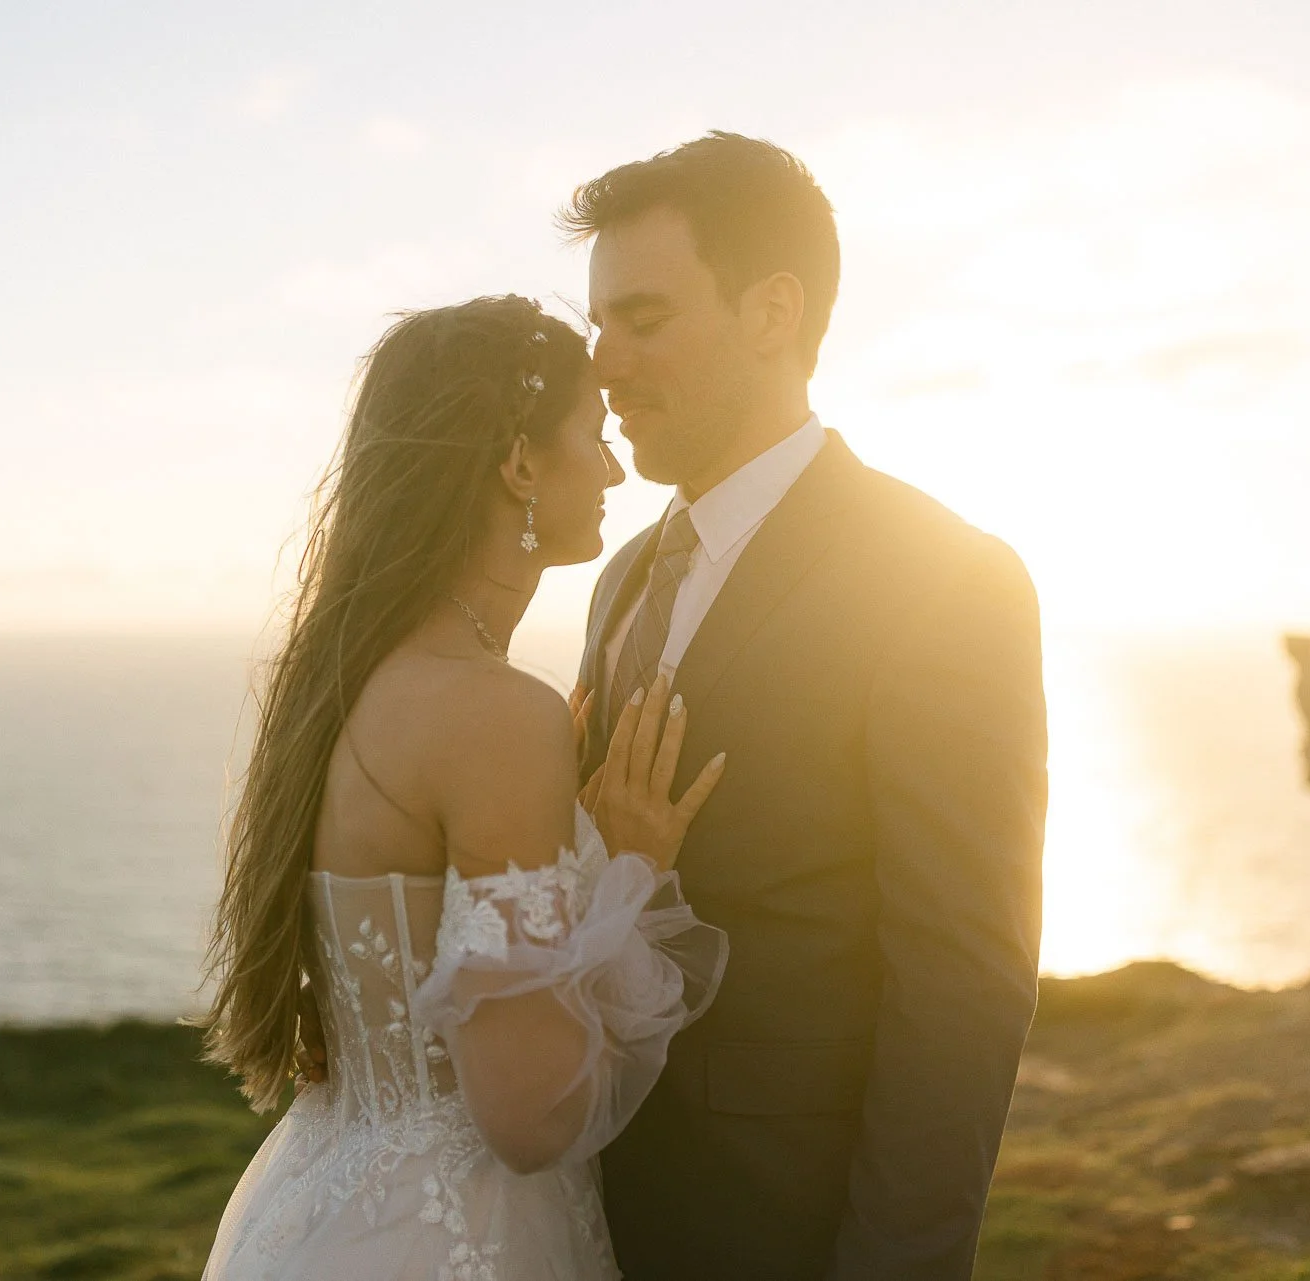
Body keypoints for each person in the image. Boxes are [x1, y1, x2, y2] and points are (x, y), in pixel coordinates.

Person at [564, 132, 1050, 1280]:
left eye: (641, 319)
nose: (602, 365)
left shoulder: (945, 577)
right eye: (598, 326)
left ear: (772, 312)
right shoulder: (626, 573)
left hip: (787, 1229)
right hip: (593, 1215)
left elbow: (964, 984)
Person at [194, 294, 731, 1281]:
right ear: (520, 463)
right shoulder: (492, 715)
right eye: (591, 433)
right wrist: (624, 871)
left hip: (321, 1211)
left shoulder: (342, 679)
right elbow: (529, 1115)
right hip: (457, 1243)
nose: (614, 469)